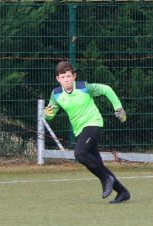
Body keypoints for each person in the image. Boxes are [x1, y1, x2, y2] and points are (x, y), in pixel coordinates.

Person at [43, 61, 130, 204]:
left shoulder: (84, 87)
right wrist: (46, 113)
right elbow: (50, 114)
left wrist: (118, 109)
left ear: (74, 76)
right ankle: (122, 192)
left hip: (93, 123)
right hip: (79, 130)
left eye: (69, 76)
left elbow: (106, 89)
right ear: (58, 79)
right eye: (63, 77)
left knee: (79, 153)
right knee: (97, 164)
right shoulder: (56, 94)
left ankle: (106, 179)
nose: (66, 79)